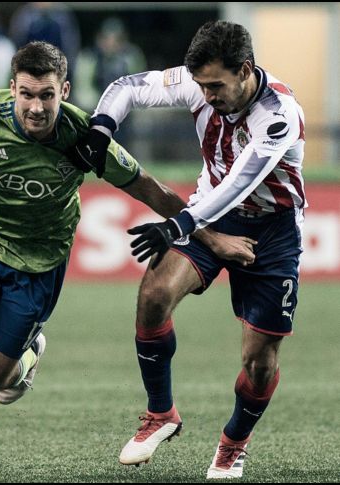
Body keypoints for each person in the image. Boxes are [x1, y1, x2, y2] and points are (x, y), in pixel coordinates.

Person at [0, 41, 255, 483]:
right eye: (26, 94)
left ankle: (24, 357)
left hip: (37, 265)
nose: (36, 108)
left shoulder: (83, 136)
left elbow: (148, 188)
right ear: (12, 89)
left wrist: (212, 238)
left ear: (65, 90)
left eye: (47, 96)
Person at [82, 20, 306, 479]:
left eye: (216, 86)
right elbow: (126, 87)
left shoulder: (279, 113)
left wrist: (180, 223)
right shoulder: (199, 82)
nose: (206, 96)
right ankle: (161, 414)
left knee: (259, 362)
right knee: (153, 295)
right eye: (200, 86)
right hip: (211, 213)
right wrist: (100, 128)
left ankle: (232, 445)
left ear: (245, 70)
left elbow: (243, 179)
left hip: (273, 232)